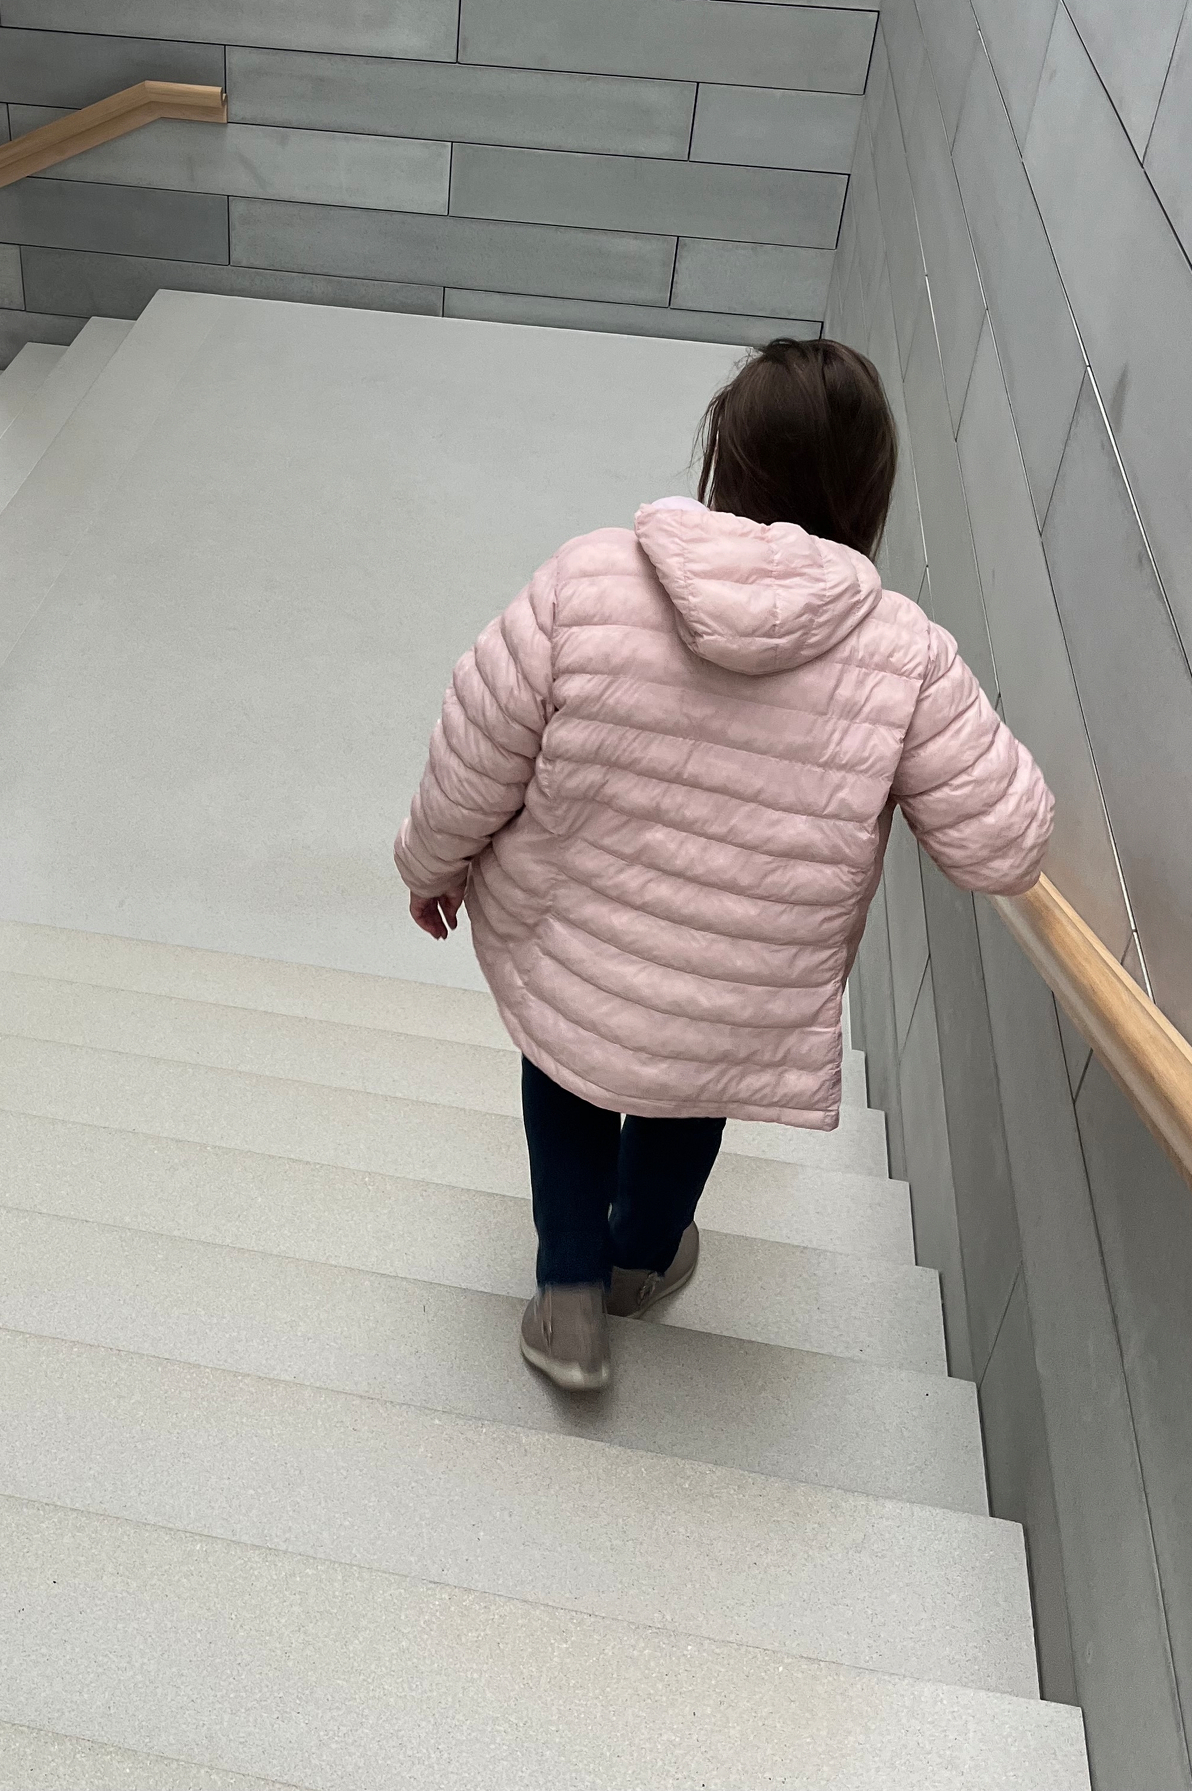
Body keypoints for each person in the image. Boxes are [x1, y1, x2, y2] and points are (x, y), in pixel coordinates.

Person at [394, 337, 1053, 1393]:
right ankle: (640, 1262)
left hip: (579, 942)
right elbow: (1005, 843)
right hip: (741, 983)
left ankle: (567, 1296)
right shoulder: (904, 654)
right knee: (686, 1096)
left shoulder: (592, 580)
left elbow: (476, 749)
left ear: (725, 463)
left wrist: (434, 863)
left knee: (568, 1078)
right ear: (871, 492)